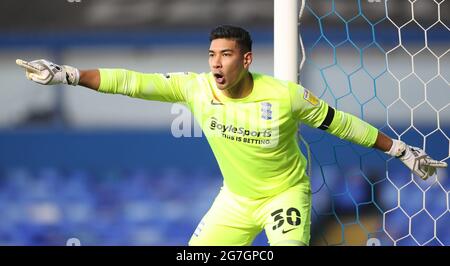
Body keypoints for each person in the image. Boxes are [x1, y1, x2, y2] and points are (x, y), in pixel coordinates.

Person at [16, 25, 447, 246]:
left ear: (246, 59)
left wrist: (401, 151)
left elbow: (343, 123)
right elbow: (130, 81)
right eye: (211, 55)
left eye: (225, 55)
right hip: (236, 200)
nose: (216, 64)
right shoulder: (195, 88)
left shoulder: (285, 96)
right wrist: (68, 74)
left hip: (284, 195)